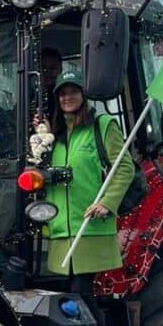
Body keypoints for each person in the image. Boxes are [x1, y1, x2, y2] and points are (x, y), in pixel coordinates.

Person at [44, 70, 135, 292]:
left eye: (73, 92)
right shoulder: (54, 135)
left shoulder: (102, 126)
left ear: (84, 95)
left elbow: (124, 167)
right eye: (62, 94)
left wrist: (107, 203)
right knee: (69, 296)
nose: (67, 98)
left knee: (80, 293)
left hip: (90, 229)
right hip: (60, 232)